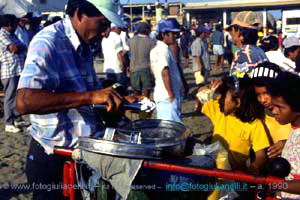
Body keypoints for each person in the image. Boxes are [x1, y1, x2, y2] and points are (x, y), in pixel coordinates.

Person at [16, 0, 132, 199]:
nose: (105, 33)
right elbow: (24, 101)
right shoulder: (48, 42)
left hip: (81, 156)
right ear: (79, 14)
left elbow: (88, 94)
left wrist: (120, 99)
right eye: (103, 24)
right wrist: (89, 97)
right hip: (54, 160)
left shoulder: (84, 44)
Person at [198, 76, 269, 174]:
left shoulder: (254, 124)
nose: (218, 99)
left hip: (234, 174)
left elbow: (261, 155)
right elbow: (200, 93)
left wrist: (253, 168)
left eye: (223, 96)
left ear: (238, 102)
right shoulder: (219, 112)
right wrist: (211, 89)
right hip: (213, 168)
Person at [249, 62, 291, 159]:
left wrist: (287, 144)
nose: (262, 99)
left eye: (266, 93)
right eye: (258, 95)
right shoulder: (257, 116)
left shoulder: (293, 114)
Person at [270, 71, 300, 199]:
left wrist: (275, 185)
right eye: (273, 106)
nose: (274, 112)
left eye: (280, 107)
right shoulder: (293, 129)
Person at [150, 19, 184, 123]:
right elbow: (164, 72)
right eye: (173, 34)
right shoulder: (162, 50)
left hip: (166, 95)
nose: (176, 36)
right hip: (167, 96)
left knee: (168, 126)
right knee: (171, 127)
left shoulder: (164, 48)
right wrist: (171, 94)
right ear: (164, 34)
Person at [0, 14, 29, 133]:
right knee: (9, 97)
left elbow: (23, 46)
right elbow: (15, 48)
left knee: (17, 96)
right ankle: (9, 122)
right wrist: (19, 47)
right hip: (9, 70)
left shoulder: (11, 35)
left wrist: (19, 47)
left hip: (17, 69)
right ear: (9, 24)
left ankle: (17, 118)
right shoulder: (2, 35)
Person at [228, 11, 268, 78]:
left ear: (239, 32)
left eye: (231, 30)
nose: (230, 33)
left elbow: (238, 84)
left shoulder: (243, 54)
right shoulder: (258, 50)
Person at [128, 21, 156, 98]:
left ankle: (137, 107)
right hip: (146, 68)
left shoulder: (130, 41)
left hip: (133, 69)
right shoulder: (152, 42)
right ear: (147, 30)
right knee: (147, 90)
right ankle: (146, 105)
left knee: (136, 91)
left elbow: (125, 54)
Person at [101, 23, 128, 89]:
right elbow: (119, 53)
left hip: (109, 68)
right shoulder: (115, 37)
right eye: (119, 28)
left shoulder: (104, 39)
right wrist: (122, 64)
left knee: (111, 89)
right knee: (121, 88)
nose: (121, 30)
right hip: (117, 68)